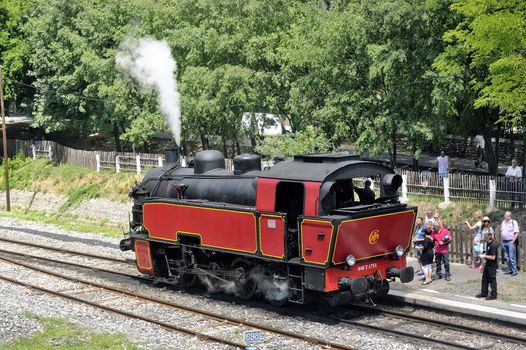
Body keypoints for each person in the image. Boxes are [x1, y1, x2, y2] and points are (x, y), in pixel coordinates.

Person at [476, 231, 498, 300]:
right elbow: (488, 253)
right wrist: (483, 263)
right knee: (484, 279)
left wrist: (484, 256)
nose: (484, 240)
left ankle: (494, 295)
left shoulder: (493, 245)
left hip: (492, 265)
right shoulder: (488, 244)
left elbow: (493, 257)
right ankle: (484, 292)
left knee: (492, 280)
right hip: (487, 264)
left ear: (488, 238)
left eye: (485, 239)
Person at [500, 211, 519, 276]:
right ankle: (510, 269)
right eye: (505, 215)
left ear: (510, 216)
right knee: (507, 257)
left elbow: (516, 233)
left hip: (510, 241)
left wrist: (512, 241)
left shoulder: (514, 222)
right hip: (504, 241)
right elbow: (502, 230)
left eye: (506, 215)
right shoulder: (503, 222)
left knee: (511, 257)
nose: (504, 216)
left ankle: (514, 270)